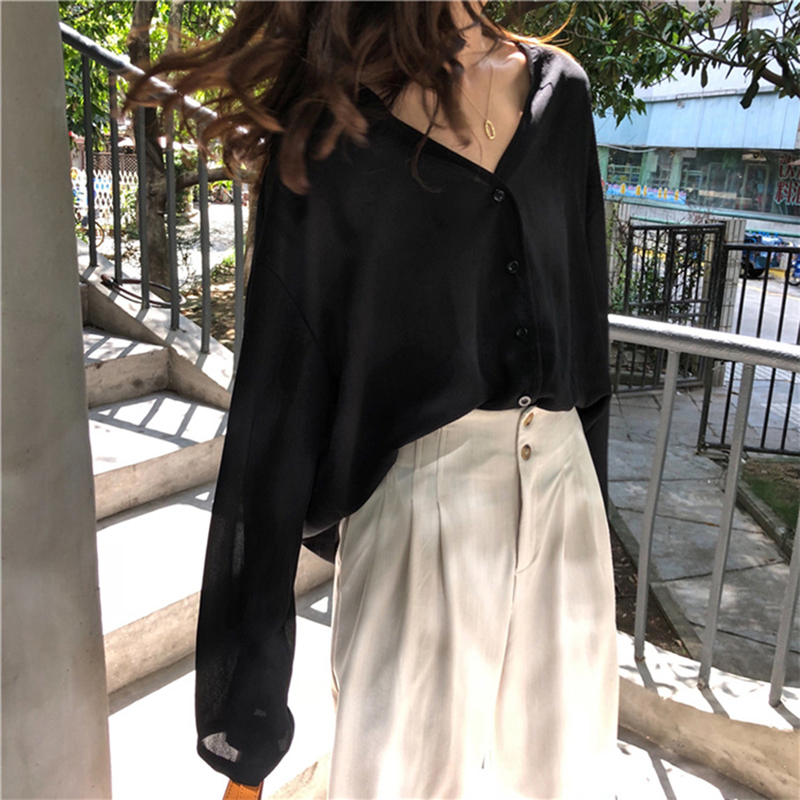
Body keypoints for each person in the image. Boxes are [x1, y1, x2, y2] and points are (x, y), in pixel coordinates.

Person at [128, 2, 619, 798]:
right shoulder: (335, 129)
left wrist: (592, 499)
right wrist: (247, 725)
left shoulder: (561, 94)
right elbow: (276, 404)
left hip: (565, 495)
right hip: (419, 501)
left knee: (571, 779)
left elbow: (586, 327)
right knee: (397, 781)